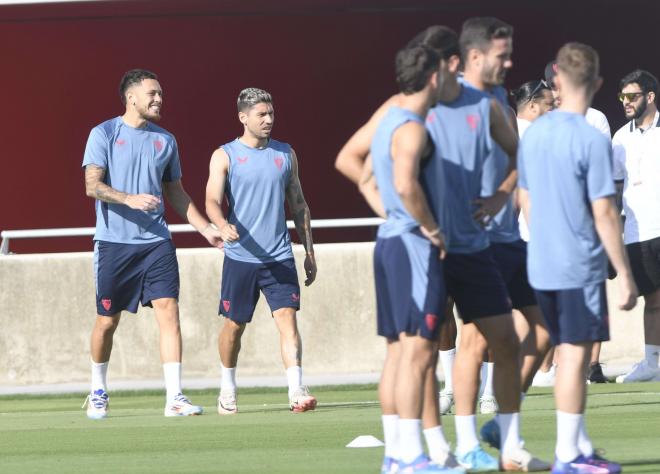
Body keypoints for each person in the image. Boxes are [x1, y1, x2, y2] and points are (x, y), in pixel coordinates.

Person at [336, 26, 465, 472]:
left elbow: (361, 170)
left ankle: (397, 454)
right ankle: (409, 456)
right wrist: (430, 227)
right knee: (417, 353)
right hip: (412, 244)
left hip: (392, 240)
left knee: (398, 352)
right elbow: (407, 183)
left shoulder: (389, 115)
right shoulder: (410, 126)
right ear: (434, 76)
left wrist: (389, 210)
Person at [518, 42, 637, 473]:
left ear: (556, 82)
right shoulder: (590, 137)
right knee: (573, 356)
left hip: (542, 259)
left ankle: (575, 445)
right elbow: (605, 210)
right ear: (599, 83)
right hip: (577, 263)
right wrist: (622, 272)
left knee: (559, 349)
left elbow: (525, 198)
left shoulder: (533, 134)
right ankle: (568, 455)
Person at [82, 69, 223, 419]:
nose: (159, 99)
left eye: (160, 93)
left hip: (157, 243)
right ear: (131, 97)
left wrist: (206, 229)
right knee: (107, 321)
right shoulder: (104, 133)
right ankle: (98, 390)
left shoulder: (166, 140)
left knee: (169, 311)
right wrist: (128, 199)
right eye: (153, 93)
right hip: (115, 244)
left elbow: (175, 192)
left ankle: (175, 397)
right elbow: (91, 185)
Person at [205, 87, 318, 415]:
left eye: (271, 114)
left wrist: (309, 252)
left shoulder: (285, 154)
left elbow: (299, 205)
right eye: (261, 115)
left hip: (280, 256)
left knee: (288, 321)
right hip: (240, 258)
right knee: (234, 326)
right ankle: (227, 386)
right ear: (243, 117)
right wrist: (220, 225)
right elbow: (212, 200)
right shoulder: (224, 155)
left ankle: (296, 389)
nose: (269, 120)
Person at [612, 69, 660, 383]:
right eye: (623, 97)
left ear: (650, 96)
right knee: (652, 299)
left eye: (632, 96)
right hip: (638, 232)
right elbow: (615, 189)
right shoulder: (619, 137)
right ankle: (653, 362)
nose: (626, 102)